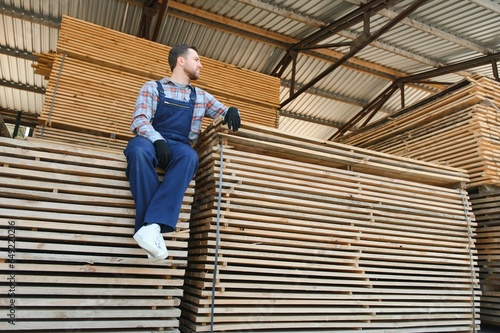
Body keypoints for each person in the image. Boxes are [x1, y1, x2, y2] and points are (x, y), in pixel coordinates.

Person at [124, 44, 241, 262]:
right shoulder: (152, 87)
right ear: (181, 61)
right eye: (196, 59)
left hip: (179, 146)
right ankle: (154, 228)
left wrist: (232, 110)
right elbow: (140, 119)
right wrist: (157, 140)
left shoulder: (201, 96)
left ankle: (150, 228)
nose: (200, 64)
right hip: (151, 140)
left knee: (190, 157)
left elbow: (224, 111)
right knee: (138, 151)